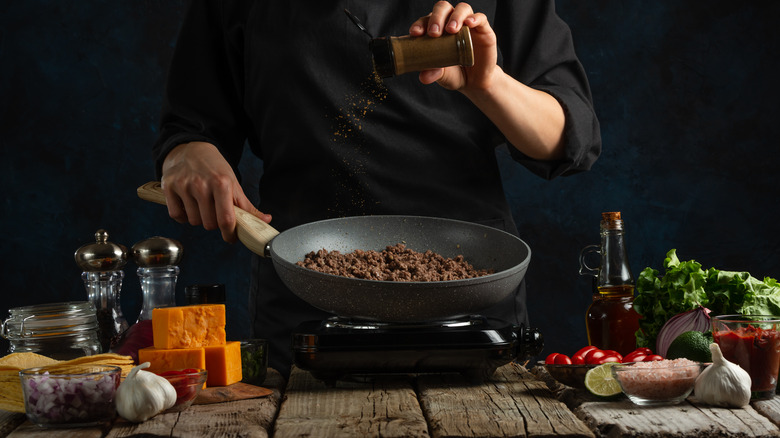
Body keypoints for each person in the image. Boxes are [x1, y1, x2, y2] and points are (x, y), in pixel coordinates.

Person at [152, 1, 601, 375]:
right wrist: (188, 152)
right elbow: (191, 122)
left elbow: (568, 139)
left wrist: (487, 83)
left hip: (468, 298)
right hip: (308, 298)